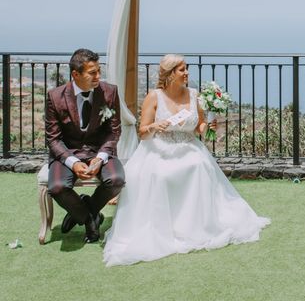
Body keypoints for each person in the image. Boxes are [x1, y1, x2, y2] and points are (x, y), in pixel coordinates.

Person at [103, 54, 270, 266]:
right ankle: (166, 226)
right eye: (182, 69)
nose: (187, 73)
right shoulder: (154, 97)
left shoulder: (194, 95)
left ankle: (196, 225)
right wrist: (154, 127)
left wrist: (207, 128)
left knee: (199, 165)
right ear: (170, 74)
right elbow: (142, 132)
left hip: (189, 147)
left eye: (186, 68)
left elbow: (199, 125)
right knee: (161, 173)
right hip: (159, 148)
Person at [46, 48, 125, 243]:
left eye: (99, 71)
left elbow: (114, 131)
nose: (98, 76)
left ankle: (82, 208)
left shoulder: (110, 92)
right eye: (92, 72)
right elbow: (53, 139)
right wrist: (72, 162)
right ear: (76, 74)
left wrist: (101, 157)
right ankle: (90, 218)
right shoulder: (55, 97)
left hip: (100, 151)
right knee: (56, 187)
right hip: (67, 153)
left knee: (116, 180)